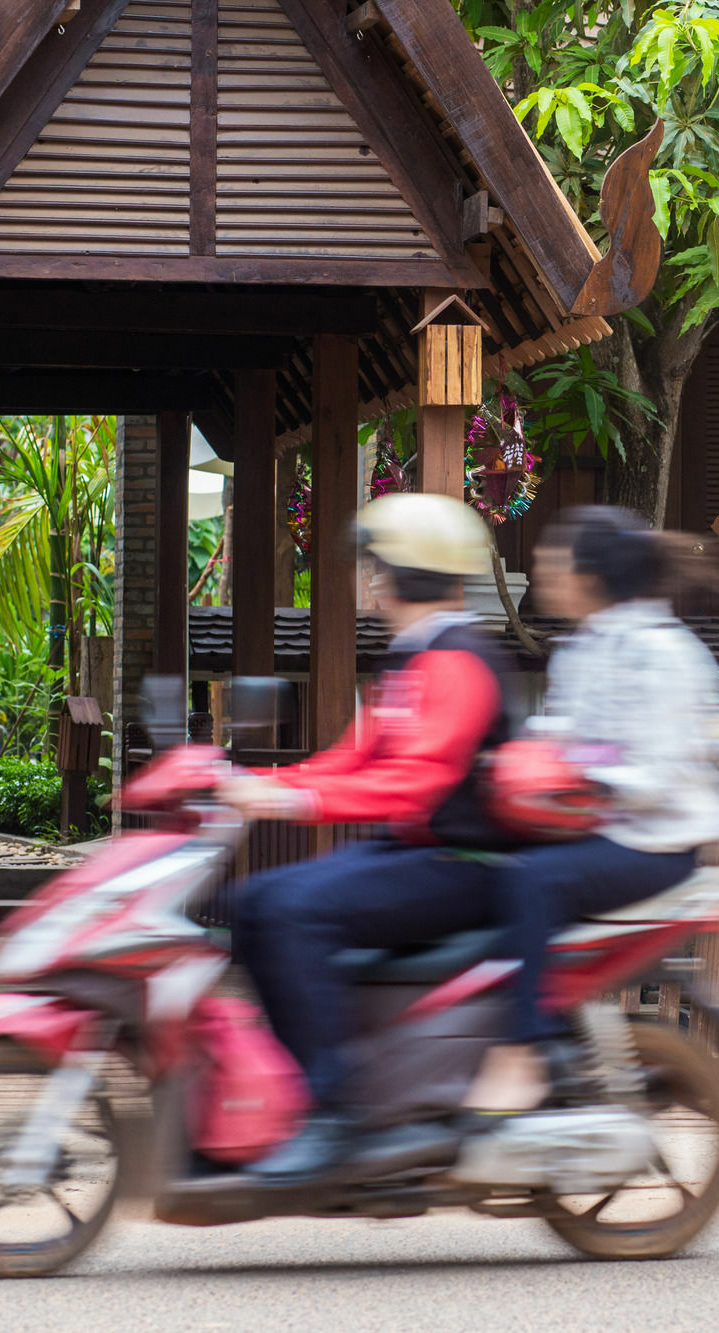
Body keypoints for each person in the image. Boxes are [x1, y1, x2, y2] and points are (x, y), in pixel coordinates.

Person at [223, 493, 517, 1182]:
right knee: (251, 901)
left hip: (463, 862)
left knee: (294, 909)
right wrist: (253, 783)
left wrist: (295, 797)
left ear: (399, 575)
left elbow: (415, 782)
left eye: (377, 565)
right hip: (414, 851)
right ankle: (296, 1083)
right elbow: (354, 757)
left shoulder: (457, 661)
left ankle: (336, 1112)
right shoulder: (413, 658)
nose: (371, 578)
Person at [462, 506, 719, 1113]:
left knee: (530, 882)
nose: (541, 574)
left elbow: (658, 774)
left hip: (654, 844)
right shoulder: (581, 649)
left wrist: (579, 773)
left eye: (553, 563)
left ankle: (521, 1051)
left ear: (589, 575)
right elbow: (554, 734)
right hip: (595, 830)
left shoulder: (664, 654)